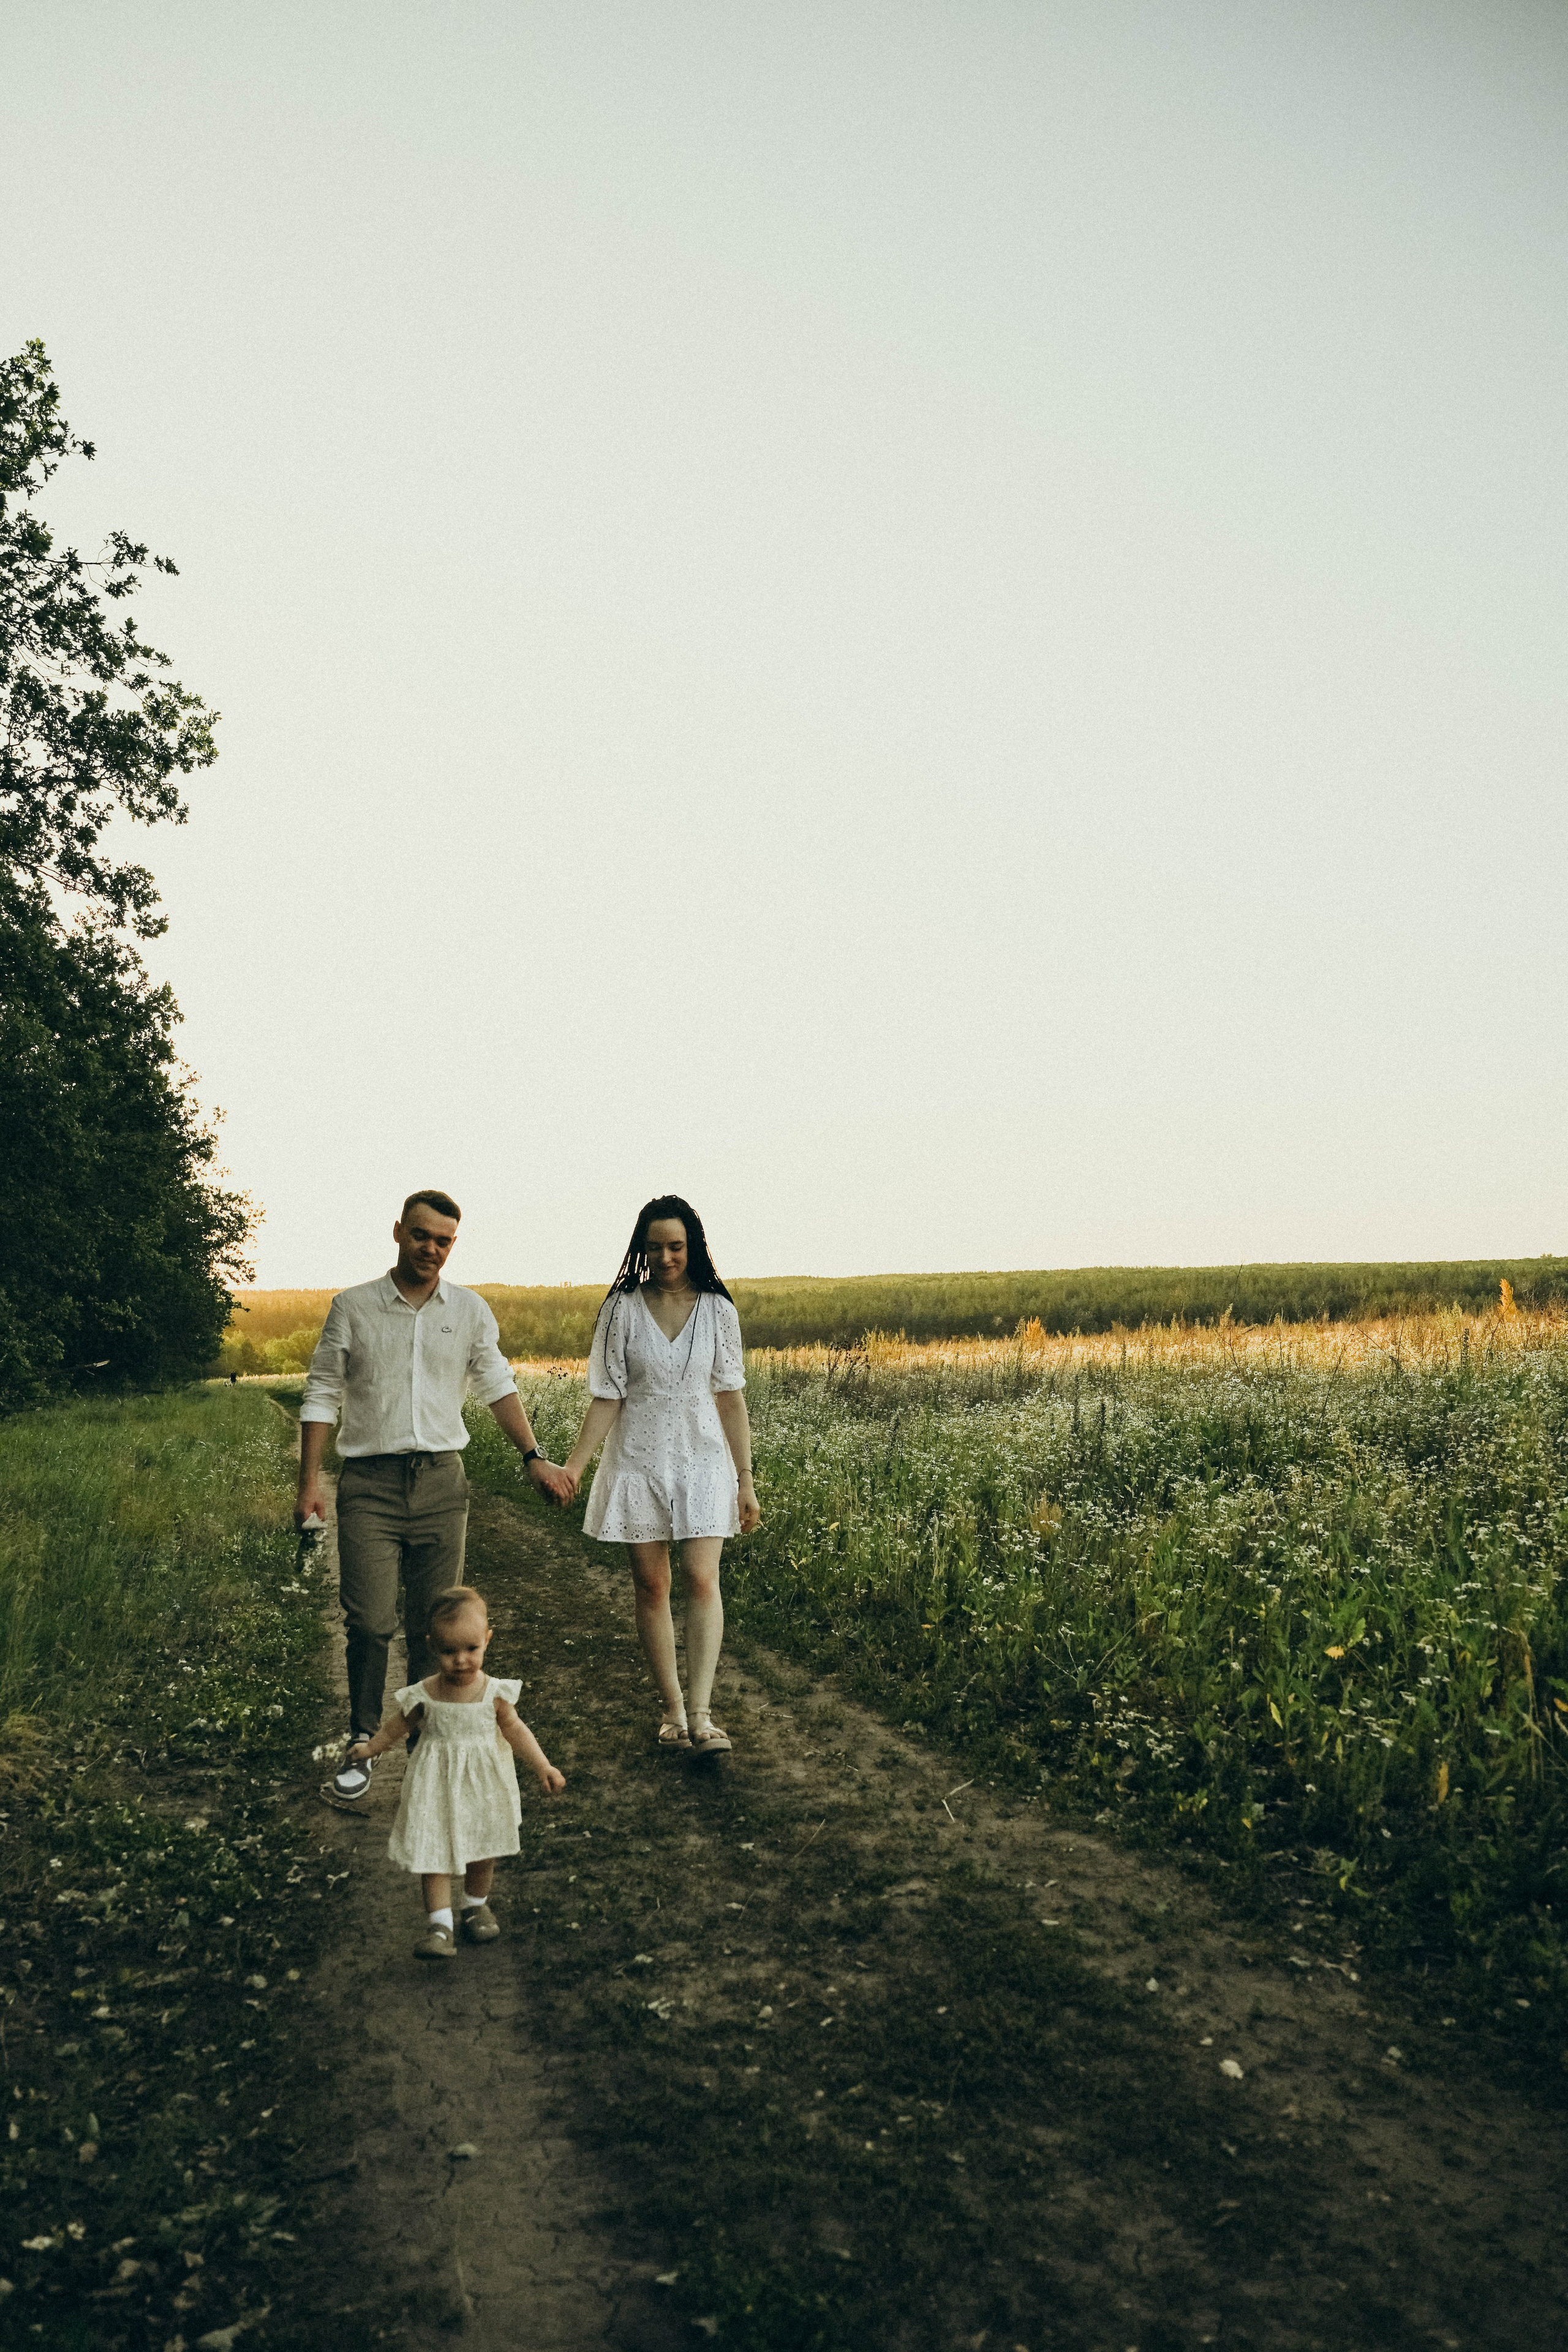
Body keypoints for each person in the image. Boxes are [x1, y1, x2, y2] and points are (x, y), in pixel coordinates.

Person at [297, 1188, 573, 1803]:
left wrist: (533, 1457)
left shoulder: (469, 1311)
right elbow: (322, 1393)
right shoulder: (353, 1307)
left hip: (442, 1485)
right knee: (370, 1622)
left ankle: (424, 1747)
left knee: (435, 1628)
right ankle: (362, 1741)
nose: (431, 1248)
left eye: (443, 1241)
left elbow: (497, 1384)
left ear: (453, 1244)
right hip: (369, 1484)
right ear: (398, 1231)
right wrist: (309, 1483)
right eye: (420, 1235)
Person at [560, 1194, 761, 1756]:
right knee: (652, 1586)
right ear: (641, 1250)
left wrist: (745, 1479)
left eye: (675, 1246)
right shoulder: (621, 1309)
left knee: (701, 1577)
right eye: (654, 1248)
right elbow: (608, 1395)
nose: (665, 1257)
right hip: (637, 1460)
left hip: (704, 1460)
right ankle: (672, 1711)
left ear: (692, 1245)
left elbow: (730, 1397)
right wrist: (574, 1467)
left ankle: (702, 1715)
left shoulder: (718, 1311)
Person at [345, 1585, 564, 1958]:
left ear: (487, 1640)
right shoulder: (425, 1693)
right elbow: (399, 1726)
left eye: (471, 1649)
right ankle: (440, 1925)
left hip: (483, 1785)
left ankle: (475, 1906)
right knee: (434, 1848)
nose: (461, 1660)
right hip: (435, 1783)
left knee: (484, 1846)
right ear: (432, 1646)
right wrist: (370, 1749)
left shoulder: (494, 1694)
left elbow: (516, 1730)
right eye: (449, 1651)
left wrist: (543, 1765)